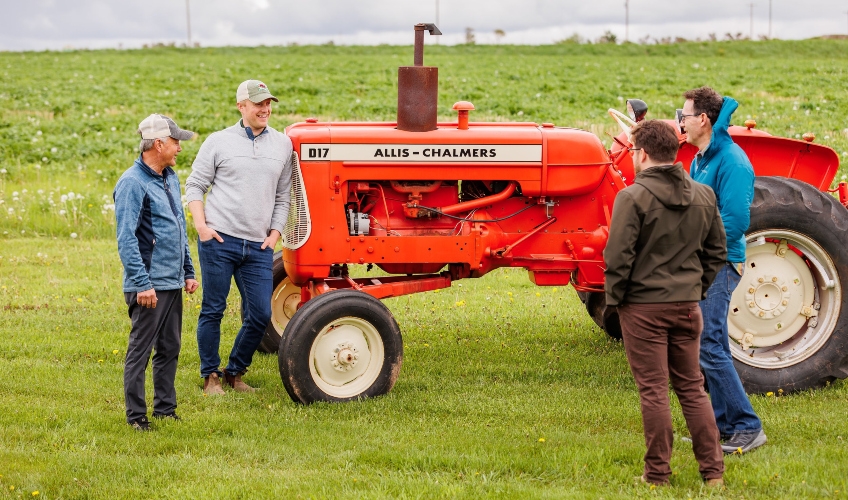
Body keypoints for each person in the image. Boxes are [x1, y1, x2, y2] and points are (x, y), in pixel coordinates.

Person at [604, 120, 727, 486]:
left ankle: (657, 474)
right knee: (692, 386)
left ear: (641, 154)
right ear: (676, 152)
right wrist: (696, 289)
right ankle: (713, 474)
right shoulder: (704, 195)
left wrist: (618, 301)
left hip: (643, 308)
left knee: (654, 390)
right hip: (687, 306)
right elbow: (716, 252)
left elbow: (617, 258)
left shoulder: (632, 198)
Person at [185, 80, 292, 395]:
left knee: (260, 313)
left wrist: (274, 234)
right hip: (220, 240)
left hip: (259, 246)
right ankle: (210, 377)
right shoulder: (219, 142)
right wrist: (202, 227)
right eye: (258, 103)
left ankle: (234, 372)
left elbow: (284, 195)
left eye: (268, 103)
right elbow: (195, 185)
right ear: (241, 106)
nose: (265, 109)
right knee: (213, 309)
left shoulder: (282, 145)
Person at [681, 86, 766, 454]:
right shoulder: (702, 158)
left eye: (683, 115)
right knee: (707, 345)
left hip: (719, 263)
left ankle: (748, 426)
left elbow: (733, 220)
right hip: (702, 261)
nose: (679, 122)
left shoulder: (731, 161)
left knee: (710, 345)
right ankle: (722, 426)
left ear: (702, 119)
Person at [114, 114, 199, 431]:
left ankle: (165, 408)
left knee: (170, 348)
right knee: (140, 351)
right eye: (175, 141)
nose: (179, 147)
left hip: (172, 282)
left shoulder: (170, 177)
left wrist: (188, 270)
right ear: (159, 143)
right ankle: (136, 417)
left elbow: (177, 226)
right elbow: (126, 239)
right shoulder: (132, 183)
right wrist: (141, 284)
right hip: (148, 285)